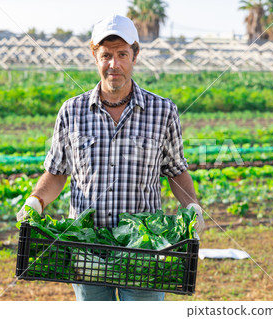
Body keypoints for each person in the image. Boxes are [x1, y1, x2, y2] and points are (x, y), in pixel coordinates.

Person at [16, 14, 205, 301]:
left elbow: (175, 170)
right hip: (87, 249)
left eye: (122, 54)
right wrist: (36, 200)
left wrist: (192, 205)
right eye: (106, 55)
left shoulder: (163, 111)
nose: (114, 65)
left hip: (144, 251)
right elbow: (57, 172)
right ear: (95, 55)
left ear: (135, 55)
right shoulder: (72, 112)